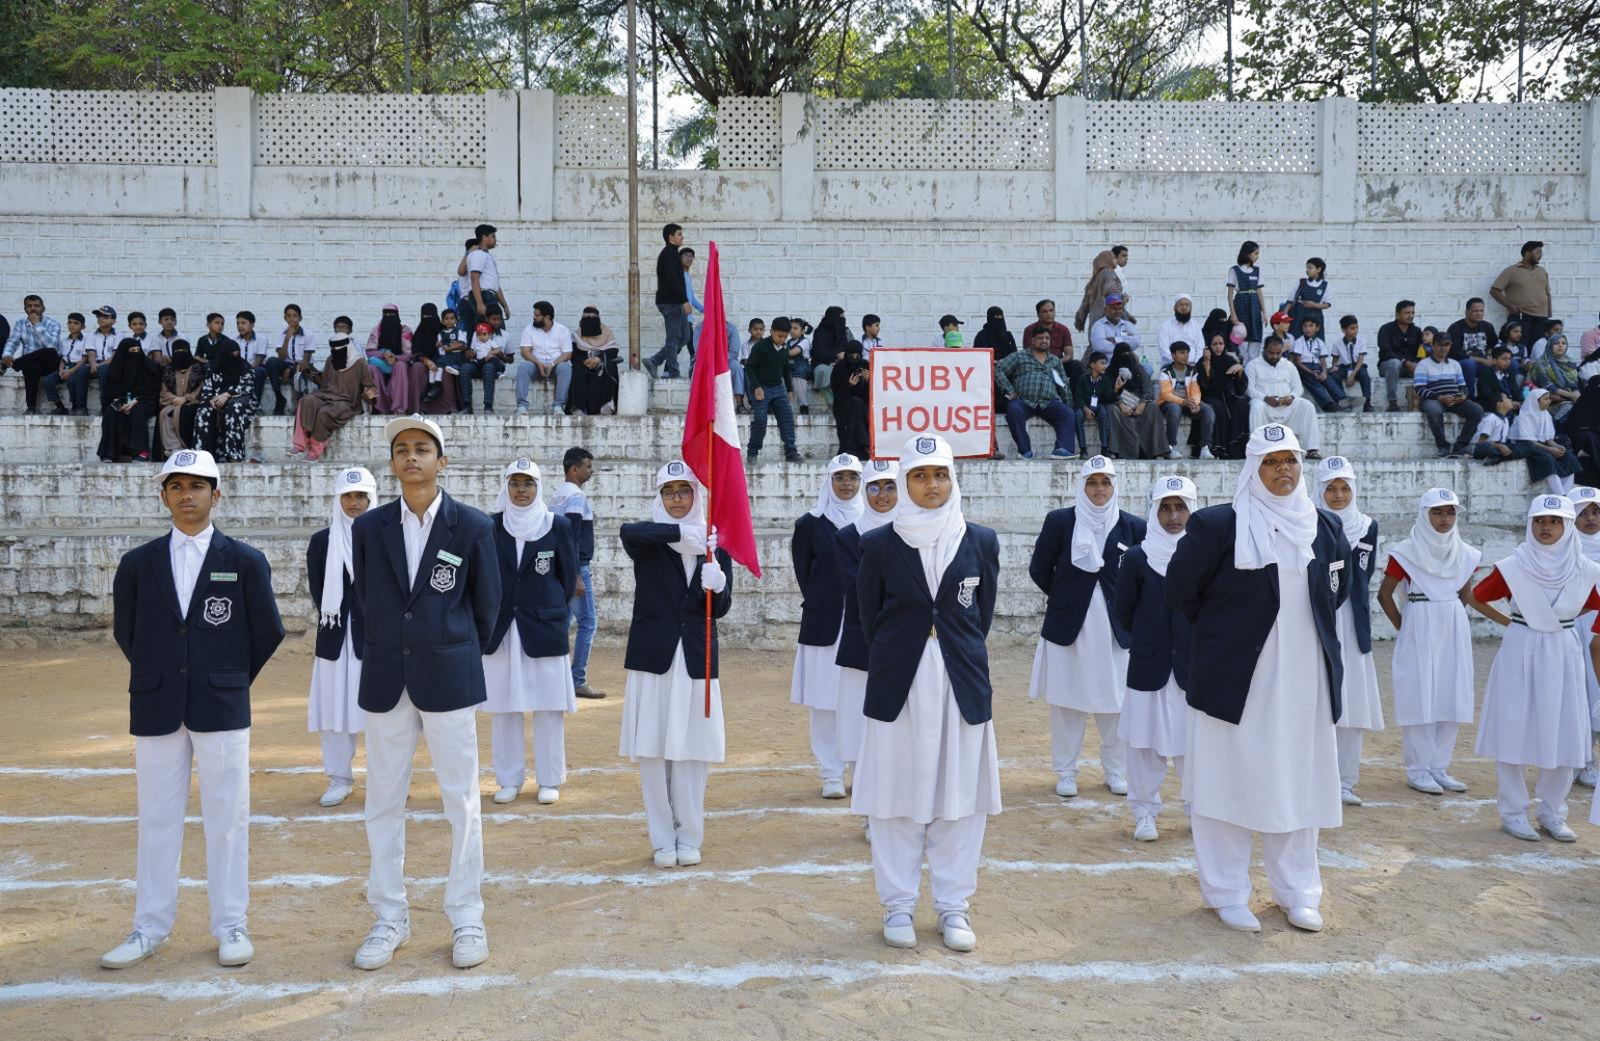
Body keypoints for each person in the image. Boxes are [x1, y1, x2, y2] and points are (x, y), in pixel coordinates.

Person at [103, 449, 284, 969]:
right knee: (157, 819)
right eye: (177, 486)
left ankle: (231, 925)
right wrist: (164, 675)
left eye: (198, 486)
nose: (187, 495)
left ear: (216, 495)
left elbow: (267, 630)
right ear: (164, 495)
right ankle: (149, 928)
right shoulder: (137, 564)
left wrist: (226, 678)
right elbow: (128, 631)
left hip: (222, 703)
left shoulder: (245, 560)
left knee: (228, 817)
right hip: (157, 704)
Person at [1165, 424, 1347, 934]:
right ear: (1253, 469)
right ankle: (1226, 892)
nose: (1283, 470)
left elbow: (1336, 591)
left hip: (1304, 677)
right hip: (1236, 679)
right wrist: (1231, 636)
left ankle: (1298, 892)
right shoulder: (1218, 525)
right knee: (1227, 781)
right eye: (1271, 461)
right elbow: (1181, 593)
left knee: (1298, 782)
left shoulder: (1324, 527)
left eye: (1290, 459)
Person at [349, 415, 501, 972]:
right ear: (392, 464)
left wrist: (449, 647)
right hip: (388, 677)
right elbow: (367, 601)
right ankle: (389, 915)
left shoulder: (474, 526)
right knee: (383, 800)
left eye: (422, 448)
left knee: (461, 800)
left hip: (449, 676)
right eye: (401, 450)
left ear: (442, 461)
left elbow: (489, 607)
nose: (411, 457)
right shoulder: (369, 528)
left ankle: (467, 916)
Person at [852, 434, 1001, 952]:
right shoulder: (877, 543)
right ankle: (897, 907)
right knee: (895, 798)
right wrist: (908, 653)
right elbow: (872, 618)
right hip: (900, 684)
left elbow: (979, 618)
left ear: (952, 479)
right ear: (903, 483)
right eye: (919, 475)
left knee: (959, 799)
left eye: (939, 474)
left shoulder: (980, 539)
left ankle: (953, 906)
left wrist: (947, 650)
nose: (931, 485)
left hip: (960, 682)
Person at [618, 461, 733, 868]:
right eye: (670, 492)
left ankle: (690, 835)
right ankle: (662, 838)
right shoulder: (650, 539)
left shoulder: (714, 543)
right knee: (652, 752)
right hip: (653, 658)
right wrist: (683, 534)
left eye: (685, 492)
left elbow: (719, 608)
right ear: (659, 497)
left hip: (695, 658)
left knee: (690, 752)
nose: (678, 500)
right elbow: (628, 533)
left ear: (697, 496)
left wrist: (716, 585)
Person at [1468, 495, 1600, 843]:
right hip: (1521, 648)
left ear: (1567, 526)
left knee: (1564, 730)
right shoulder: (1514, 566)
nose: (1546, 527)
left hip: (1564, 652)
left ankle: (1553, 813)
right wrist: (1511, 622)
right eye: (1540, 520)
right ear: (1530, 523)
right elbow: (1477, 595)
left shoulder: (1586, 570)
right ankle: (1513, 812)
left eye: (1555, 521)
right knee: (1513, 728)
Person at [1028, 455, 1143, 798]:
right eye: (1092, 482)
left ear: (1114, 486)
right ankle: (1066, 771)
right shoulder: (1061, 521)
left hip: (1115, 628)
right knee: (1067, 701)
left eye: (1105, 482)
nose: (1098, 489)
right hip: (1069, 625)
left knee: (1117, 701)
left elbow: (1141, 575)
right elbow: (1039, 568)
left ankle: (1116, 770)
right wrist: (1067, 598)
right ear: (1081, 486)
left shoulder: (1133, 526)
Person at [483, 459, 578, 806]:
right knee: (504, 707)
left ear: (539, 488)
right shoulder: (491, 526)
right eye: (515, 483)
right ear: (505, 487)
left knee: (549, 707)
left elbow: (567, 580)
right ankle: (508, 779)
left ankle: (550, 779)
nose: (521, 491)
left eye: (528, 484)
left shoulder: (558, 525)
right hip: (503, 629)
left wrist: (547, 608)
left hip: (543, 627)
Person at [1376, 488, 1480, 795]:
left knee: (1451, 692)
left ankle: (1439, 767)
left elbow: (1465, 593)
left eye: (1450, 513)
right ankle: (1418, 769)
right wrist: (1405, 626)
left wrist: (1449, 618)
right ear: (1424, 515)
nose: (1444, 519)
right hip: (1419, 620)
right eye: (1437, 512)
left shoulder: (1466, 553)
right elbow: (1385, 594)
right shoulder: (1406, 552)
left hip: (1453, 623)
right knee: (1419, 694)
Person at [1112, 475, 1196, 842]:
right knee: (1144, 746)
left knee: (1195, 747)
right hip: (1149, 666)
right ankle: (1144, 812)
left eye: (1180, 507)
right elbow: (1124, 610)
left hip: (1193, 668)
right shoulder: (1136, 557)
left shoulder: (1203, 555)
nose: (1173, 516)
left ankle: (1200, 812)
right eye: (1165, 507)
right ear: (1153, 510)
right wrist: (1147, 640)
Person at [789, 454, 865, 797]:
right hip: (824, 625)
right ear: (829, 481)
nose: (846, 484)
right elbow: (804, 572)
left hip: (863, 625)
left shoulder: (873, 521)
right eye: (840, 477)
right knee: (824, 702)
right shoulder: (810, 524)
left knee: (861, 700)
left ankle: (861, 771)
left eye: (852, 477)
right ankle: (831, 773)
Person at [1314, 457, 1384, 807]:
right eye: (1330, 488)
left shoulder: (1367, 526)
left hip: (1351, 622)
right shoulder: (1307, 523)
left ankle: (1345, 780)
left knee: (1352, 699)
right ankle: (1314, 776)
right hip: (1317, 620)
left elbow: (1362, 576)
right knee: (1316, 697)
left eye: (1344, 488)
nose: (1338, 496)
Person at [306, 466, 377, 808]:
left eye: (361, 496)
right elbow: (320, 591)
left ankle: (384, 779)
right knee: (334, 709)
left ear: (371, 498)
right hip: (335, 636)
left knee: (383, 711)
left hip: (377, 638)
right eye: (347, 496)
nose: (354, 502)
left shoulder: (386, 535)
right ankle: (339, 778)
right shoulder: (322, 541)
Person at [835, 457, 898, 835]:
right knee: (862, 728)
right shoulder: (848, 536)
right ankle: (868, 809)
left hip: (906, 646)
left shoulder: (914, 528)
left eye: (890, 486)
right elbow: (857, 588)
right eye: (874, 486)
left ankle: (896, 808)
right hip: (864, 643)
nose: (882, 494)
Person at [552, 448, 605, 699]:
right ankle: (577, 679)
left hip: (559, 565)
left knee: (565, 621)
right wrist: (575, 574)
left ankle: (554, 675)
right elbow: (572, 536)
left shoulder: (557, 496)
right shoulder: (575, 497)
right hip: (575, 566)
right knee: (588, 622)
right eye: (587, 466)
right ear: (574, 469)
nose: (590, 470)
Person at [997, 327, 1078, 460]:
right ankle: (1024, 451)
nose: (1044, 341)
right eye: (1040, 338)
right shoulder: (1020, 356)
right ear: (1033, 341)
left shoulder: (1055, 361)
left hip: (1049, 402)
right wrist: (1009, 390)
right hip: (1024, 401)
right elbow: (999, 369)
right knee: (1013, 409)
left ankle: (1062, 449)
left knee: (1068, 414)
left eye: (1047, 338)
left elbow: (1063, 384)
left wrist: (1067, 403)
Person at [293, 334, 376, 462]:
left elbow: (368, 386)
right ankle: (299, 444)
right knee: (306, 401)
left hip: (347, 402)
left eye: (339, 350)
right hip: (327, 395)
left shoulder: (359, 363)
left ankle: (315, 451)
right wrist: (311, 372)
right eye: (333, 350)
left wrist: (369, 395)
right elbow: (325, 384)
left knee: (325, 412)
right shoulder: (330, 360)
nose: (336, 353)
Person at [1569, 485, 1600, 789]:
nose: (1590, 519)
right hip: (1583, 628)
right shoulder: (1568, 551)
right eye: (1582, 513)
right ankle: (1584, 761)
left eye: (1596, 512)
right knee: (1586, 691)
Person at [1245, 337, 1322, 460]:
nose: (1275, 356)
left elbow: (1298, 388)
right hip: (1265, 405)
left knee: (1307, 405)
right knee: (1256, 406)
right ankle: (1257, 449)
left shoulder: (1288, 365)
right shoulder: (1253, 365)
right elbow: (1249, 389)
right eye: (1271, 353)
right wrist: (1265, 398)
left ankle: (1311, 450)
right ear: (1264, 350)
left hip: (1287, 406)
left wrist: (1291, 397)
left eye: (1278, 353)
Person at [1414, 333, 1484, 458]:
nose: (1443, 348)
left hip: (1454, 399)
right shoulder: (1423, 364)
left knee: (1477, 410)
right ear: (1433, 346)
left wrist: (1462, 395)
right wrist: (1440, 397)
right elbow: (1419, 389)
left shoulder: (1455, 364)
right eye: (1440, 345)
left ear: (1450, 346)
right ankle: (1443, 447)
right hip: (1433, 399)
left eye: (1446, 345)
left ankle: (1461, 446)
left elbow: (1463, 386)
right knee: (1433, 410)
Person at [743, 317, 803, 463]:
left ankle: (791, 451)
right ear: (771, 332)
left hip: (778, 388)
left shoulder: (784, 349)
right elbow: (749, 367)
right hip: (760, 388)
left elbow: (785, 370)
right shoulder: (760, 347)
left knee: (787, 418)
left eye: (785, 336)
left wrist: (789, 389)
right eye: (779, 336)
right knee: (760, 421)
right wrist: (756, 387)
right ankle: (752, 452)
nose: (782, 339)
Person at [97, 337, 162, 463]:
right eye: (131, 351)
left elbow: (155, 392)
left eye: (137, 350)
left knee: (137, 412)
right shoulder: (116, 368)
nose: (135, 354)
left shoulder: (149, 367)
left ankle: (142, 452)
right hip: (123, 399)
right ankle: (109, 453)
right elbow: (110, 393)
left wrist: (135, 400)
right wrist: (121, 402)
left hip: (144, 400)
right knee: (111, 411)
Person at [2, 293, 62, 413]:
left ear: (43, 308)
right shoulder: (20, 323)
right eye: (29, 306)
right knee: (31, 366)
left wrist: (37, 324)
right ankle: (31, 407)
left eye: (36, 305)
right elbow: (13, 342)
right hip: (32, 364)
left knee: (49, 351)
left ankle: (16, 364)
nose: (33, 308)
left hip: (50, 365)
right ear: (25, 309)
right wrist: (7, 355)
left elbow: (51, 345)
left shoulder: (53, 324)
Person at [1514, 387, 1580, 494]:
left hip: (1544, 447)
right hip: (1528, 447)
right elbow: (1529, 441)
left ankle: (1565, 494)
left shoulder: (1546, 415)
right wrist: (1550, 449)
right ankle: (1561, 495)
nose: (1548, 401)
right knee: (1548, 459)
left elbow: (1549, 439)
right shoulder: (1524, 416)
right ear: (1536, 401)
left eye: (1549, 399)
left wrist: (1557, 447)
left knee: (1570, 458)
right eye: (1545, 399)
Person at [646, 223, 691, 378]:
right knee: (673, 338)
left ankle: (655, 360)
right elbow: (672, 280)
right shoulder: (669, 254)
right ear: (671, 237)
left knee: (685, 336)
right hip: (670, 303)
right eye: (679, 234)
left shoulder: (673, 254)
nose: (682, 236)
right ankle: (673, 371)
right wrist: (684, 300)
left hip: (676, 302)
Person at [1105, 343, 1163, 459]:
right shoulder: (1110, 371)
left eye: (1128, 353)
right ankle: (1114, 450)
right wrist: (1121, 404)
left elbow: (1148, 388)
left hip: (1139, 405)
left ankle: (1158, 451)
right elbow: (1108, 393)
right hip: (1120, 407)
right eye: (1122, 354)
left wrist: (1142, 403)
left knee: (1153, 407)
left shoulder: (1138, 369)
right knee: (1111, 408)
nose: (1126, 357)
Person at [1158, 342, 1215, 460]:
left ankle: (1205, 448)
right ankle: (1170, 448)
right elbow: (1166, 394)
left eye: (1187, 352)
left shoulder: (1192, 371)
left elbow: (1195, 391)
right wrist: (1184, 402)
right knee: (1174, 408)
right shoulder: (1165, 372)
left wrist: (1195, 403)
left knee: (1208, 410)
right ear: (1173, 355)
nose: (1185, 355)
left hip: (1187, 403)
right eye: (1182, 352)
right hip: (1168, 403)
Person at [1198, 333, 1251, 459]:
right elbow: (1206, 385)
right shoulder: (1202, 361)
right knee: (1218, 408)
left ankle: (1237, 446)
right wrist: (1207, 363)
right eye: (1214, 344)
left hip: (1229, 396)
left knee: (1243, 405)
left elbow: (1241, 387)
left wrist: (1240, 371)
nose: (1218, 347)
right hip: (1210, 396)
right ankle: (1219, 449)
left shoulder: (1229, 360)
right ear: (1208, 346)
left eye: (1221, 344)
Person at [1490, 241, 1552, 348]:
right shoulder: (1512, 271)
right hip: (1522, 316)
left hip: (1542, 318)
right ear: (1528, 253)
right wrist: (1510, 306)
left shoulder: (1542, 271)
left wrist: (1549, 312)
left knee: (1538, 348)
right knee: (1520, 347)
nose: (1540, 255)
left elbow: (1547, 293)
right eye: (1538, 252)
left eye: (1541, 252)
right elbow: (1494, 290)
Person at [517, 301, 574, 415]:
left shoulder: (562, 330)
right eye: (534, 314)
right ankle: (522, 407)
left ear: (547, 317)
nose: (534, 317)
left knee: (566, 368)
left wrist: (552, 364)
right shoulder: (529, 329)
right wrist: (538, 363)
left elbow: (567, 354)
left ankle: (558, 406)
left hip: (555, 365)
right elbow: (525, 352)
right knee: (523, 367)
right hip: (536, 365)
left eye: (537, 315)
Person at [459, 224, 509, 337]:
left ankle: (496, 352)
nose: (495, 240)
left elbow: (495, 286)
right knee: (490, 329)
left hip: (489, 295)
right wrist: (480, 302)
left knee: (496, 329)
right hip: (484, 295)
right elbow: (474, 278)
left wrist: (504, 305)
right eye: (493, 236)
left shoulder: (487, 256)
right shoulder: (478, 255)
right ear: (484, 237)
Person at [1290, 314, 1347, 413]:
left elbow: (1323, 361)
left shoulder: (1320, 342)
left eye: (1311, 326)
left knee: (1328, 379)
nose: (1308, 328)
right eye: (1305, 326)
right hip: (1304, 368)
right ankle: (1329, 405)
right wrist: (1311, 372)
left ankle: (1343, 400)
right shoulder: (1299, 342)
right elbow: (1298, 362)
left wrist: (1324, 372)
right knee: (1314, 383)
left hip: (1318, 367)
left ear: (1317, 328)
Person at [156, 342, 204, 457]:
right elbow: (164, 390)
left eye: (183, 351)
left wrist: (186, 398)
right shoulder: (168, 369)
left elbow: (201, 388)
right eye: (177, 352)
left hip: (192, 402)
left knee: (182, 412)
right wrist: (174, 399)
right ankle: (172, 447)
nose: (180, 354)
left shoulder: (198, 368)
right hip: (173, 402)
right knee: (164, 413)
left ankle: (185, 446)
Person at [365, 305, 415, 415]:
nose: (388, 317)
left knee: (400, 366)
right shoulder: (377, 330)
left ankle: (399, 408)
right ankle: (378, 406)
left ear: (397, 315)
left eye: (391, 315)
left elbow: (409, 354)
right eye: (386, 314)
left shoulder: (405, 331)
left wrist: (395, 358)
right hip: (381, 363)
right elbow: (370, 351)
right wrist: (384, 354)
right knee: (371, 368)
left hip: (399, 363)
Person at [569, 311, 620, 416]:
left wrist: (599, 359)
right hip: (584, 365)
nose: (588, 319)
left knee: (610, 367)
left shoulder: (607, 333)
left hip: (601, 364)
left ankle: (606, 406)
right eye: (586, 317)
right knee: (576, 368)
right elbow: (573, 353)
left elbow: (613, 351)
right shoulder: (577, 334)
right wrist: (584, 361)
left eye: (591, 317)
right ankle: (579, 407)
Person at [1377, 300, 1423, 412]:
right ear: (1397, 314)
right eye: (1407, 313)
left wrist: (1417, 364)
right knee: (1394, 363)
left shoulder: (1417, 331)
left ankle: (1422, 402)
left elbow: (1420, 352)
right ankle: (1392, 403)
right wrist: (1406, 362)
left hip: (1410, 368)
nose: (1411, 315)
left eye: (1412, 312)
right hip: (1388, 367)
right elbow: (1386, 351)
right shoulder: (1386, 329)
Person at [1226, 241, 1267, 364]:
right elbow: (1230, 293)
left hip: (1254, 305)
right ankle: (1241, 367)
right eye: (1255, 253)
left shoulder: (1257, 271)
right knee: (1241, 336)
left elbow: (1259, 292)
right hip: (1241, 303)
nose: (1257, 256)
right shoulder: (1235, 270)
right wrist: (1233, 313)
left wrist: (1264, 312)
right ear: (1247, 254)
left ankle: (1252, 369)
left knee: (1255, 337)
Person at [829, 339, 872, 458]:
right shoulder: (839, 369)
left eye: (857, 355)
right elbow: (837, 393)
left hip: (863, 406)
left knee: (857, 404)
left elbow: (873, 393)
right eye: (851, 354)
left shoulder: (865, 366)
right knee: (855, 403)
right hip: (843, 406)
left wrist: (869, 380)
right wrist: (849, 386)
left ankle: (861, 447)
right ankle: (860, 445)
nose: (854, 357)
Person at [46, 311, 92, 414]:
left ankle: (78, 406)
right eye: (70, 322)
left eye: (76, 323)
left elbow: (84, 359)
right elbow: (63, 358)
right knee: (47, 380)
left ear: (83, 326)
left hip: (78, 367)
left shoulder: (86, 340)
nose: (72, 325)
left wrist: (70, 371)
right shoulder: (64, 341)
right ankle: (60, 407)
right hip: (65, 368)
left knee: (72, 379)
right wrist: (61, 369)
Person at [460, 320, 510, 413]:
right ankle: (467, 406)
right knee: (465, 368)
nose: (481, 337)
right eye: (479, 335)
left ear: (490, 335)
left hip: (489, 364)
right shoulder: (477, 342)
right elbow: (473, 353)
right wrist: (470, 354)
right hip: (479, 363)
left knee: (489, 366)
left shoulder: (491, 342)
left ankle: (488, 406)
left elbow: (498, 350)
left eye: (484, 334)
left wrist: (491, 353)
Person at [1329, 315, 1375, 412]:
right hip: (1344, 368)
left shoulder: (1361, 342)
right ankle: (1342, 400)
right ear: (1344, 330)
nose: (1355, 330)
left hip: (1357, 367)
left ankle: (1367, 403)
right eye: (1352, 328)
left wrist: (1352, 375)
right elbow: (1335, 360)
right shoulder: (1337, 344)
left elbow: (1360, 360)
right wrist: (1334, 367)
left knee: (1365, 376)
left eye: (1356, 327)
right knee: (1334, 376)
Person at [1088, 293, 1144, 371]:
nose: (1118, 311)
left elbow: (1136, 341)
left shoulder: (1127, 324)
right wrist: (1125, 347)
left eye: (1120, 308)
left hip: (1127, 365)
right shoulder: (1098, 326)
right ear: (1105, 309)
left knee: (1147, 369)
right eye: (1114, 308)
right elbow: (1100, 346)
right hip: (1107, 367)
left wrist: (1115, 339)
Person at [1023, 299, 1078, 377]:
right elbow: (1028, 353)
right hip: (1037, 365)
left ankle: (1073, 389)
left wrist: (1056, 362)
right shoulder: (1030, 330)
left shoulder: (1063, 329)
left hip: (1059, 363)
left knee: (1076, 365)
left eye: (1051, 310)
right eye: (1045, 311)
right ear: (1038, 314)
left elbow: (1069, 355)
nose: (1049, 314)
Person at [1075, 248, 1124, 334]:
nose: (1116, 260)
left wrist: (1080, 320)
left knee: (1095, 344)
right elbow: (1111, 294)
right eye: (1113, 258)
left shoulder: (1094, 280)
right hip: (1108, 320)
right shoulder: (1109, 273)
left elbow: (1084, 304)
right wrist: (1123, 299)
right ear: (1107, 259)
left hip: (1095, 320)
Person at [811, 305, 851, 409]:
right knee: (821, 371)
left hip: (842, 363)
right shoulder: (820, 332)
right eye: (841, 317)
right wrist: (836, 356)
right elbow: (817, 353)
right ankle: (832, 400)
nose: (843, 320)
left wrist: (844, 355)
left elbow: (852, 348)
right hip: (824, 363)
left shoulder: (845, 332)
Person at [1289, 257, 1333, 341]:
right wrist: (1285, 312)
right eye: (1307, 268)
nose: (1307, 270)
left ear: (1319, 269)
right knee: (1296, 337)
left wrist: (1313, 305)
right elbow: (1291, 298)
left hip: (1315, 315)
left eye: (1310, 268)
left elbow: (1327, 304)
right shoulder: (1302, 282)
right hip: (1298, 314)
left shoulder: (1325, 285)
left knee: (1315, 339)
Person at [1156, 294, 1204, 367]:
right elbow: (1163, 349)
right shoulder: (1166, 325)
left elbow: (1200, 348)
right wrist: (1178, 362)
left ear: (1191, 308)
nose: (1184, 307)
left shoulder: (1196, 326)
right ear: (1175, 308)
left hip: (1193, 367)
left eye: (1186, 305)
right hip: (1171, 366)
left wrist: (1196, 363)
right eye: (1181, 304)